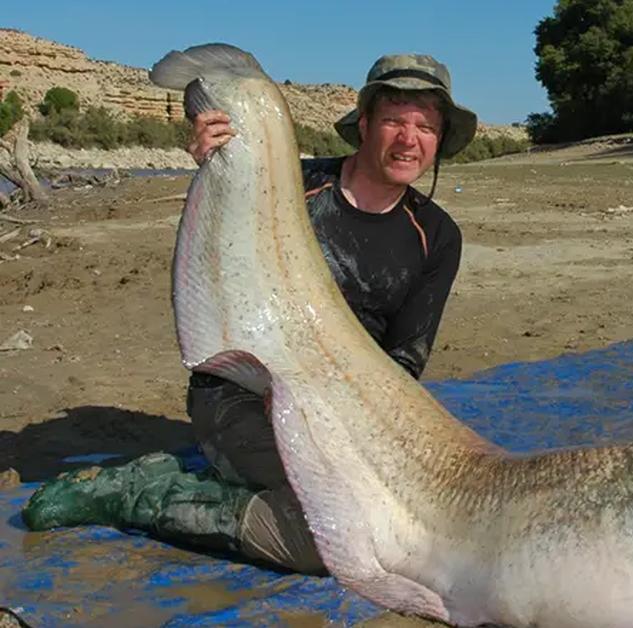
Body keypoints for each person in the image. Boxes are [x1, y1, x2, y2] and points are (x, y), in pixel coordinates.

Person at [22, 53, 478, 574]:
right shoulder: (281, 182)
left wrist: (336, 427)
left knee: (416, 523)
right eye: (395, 120)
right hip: (239, 393)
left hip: (351, 414)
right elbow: (211, 258)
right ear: (366, 124)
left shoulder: (438, 235)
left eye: (426, 127)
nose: (408, 139)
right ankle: (143, 493)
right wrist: (215, 161)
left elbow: (404, 362)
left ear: (440, 140)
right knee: (341, 537)